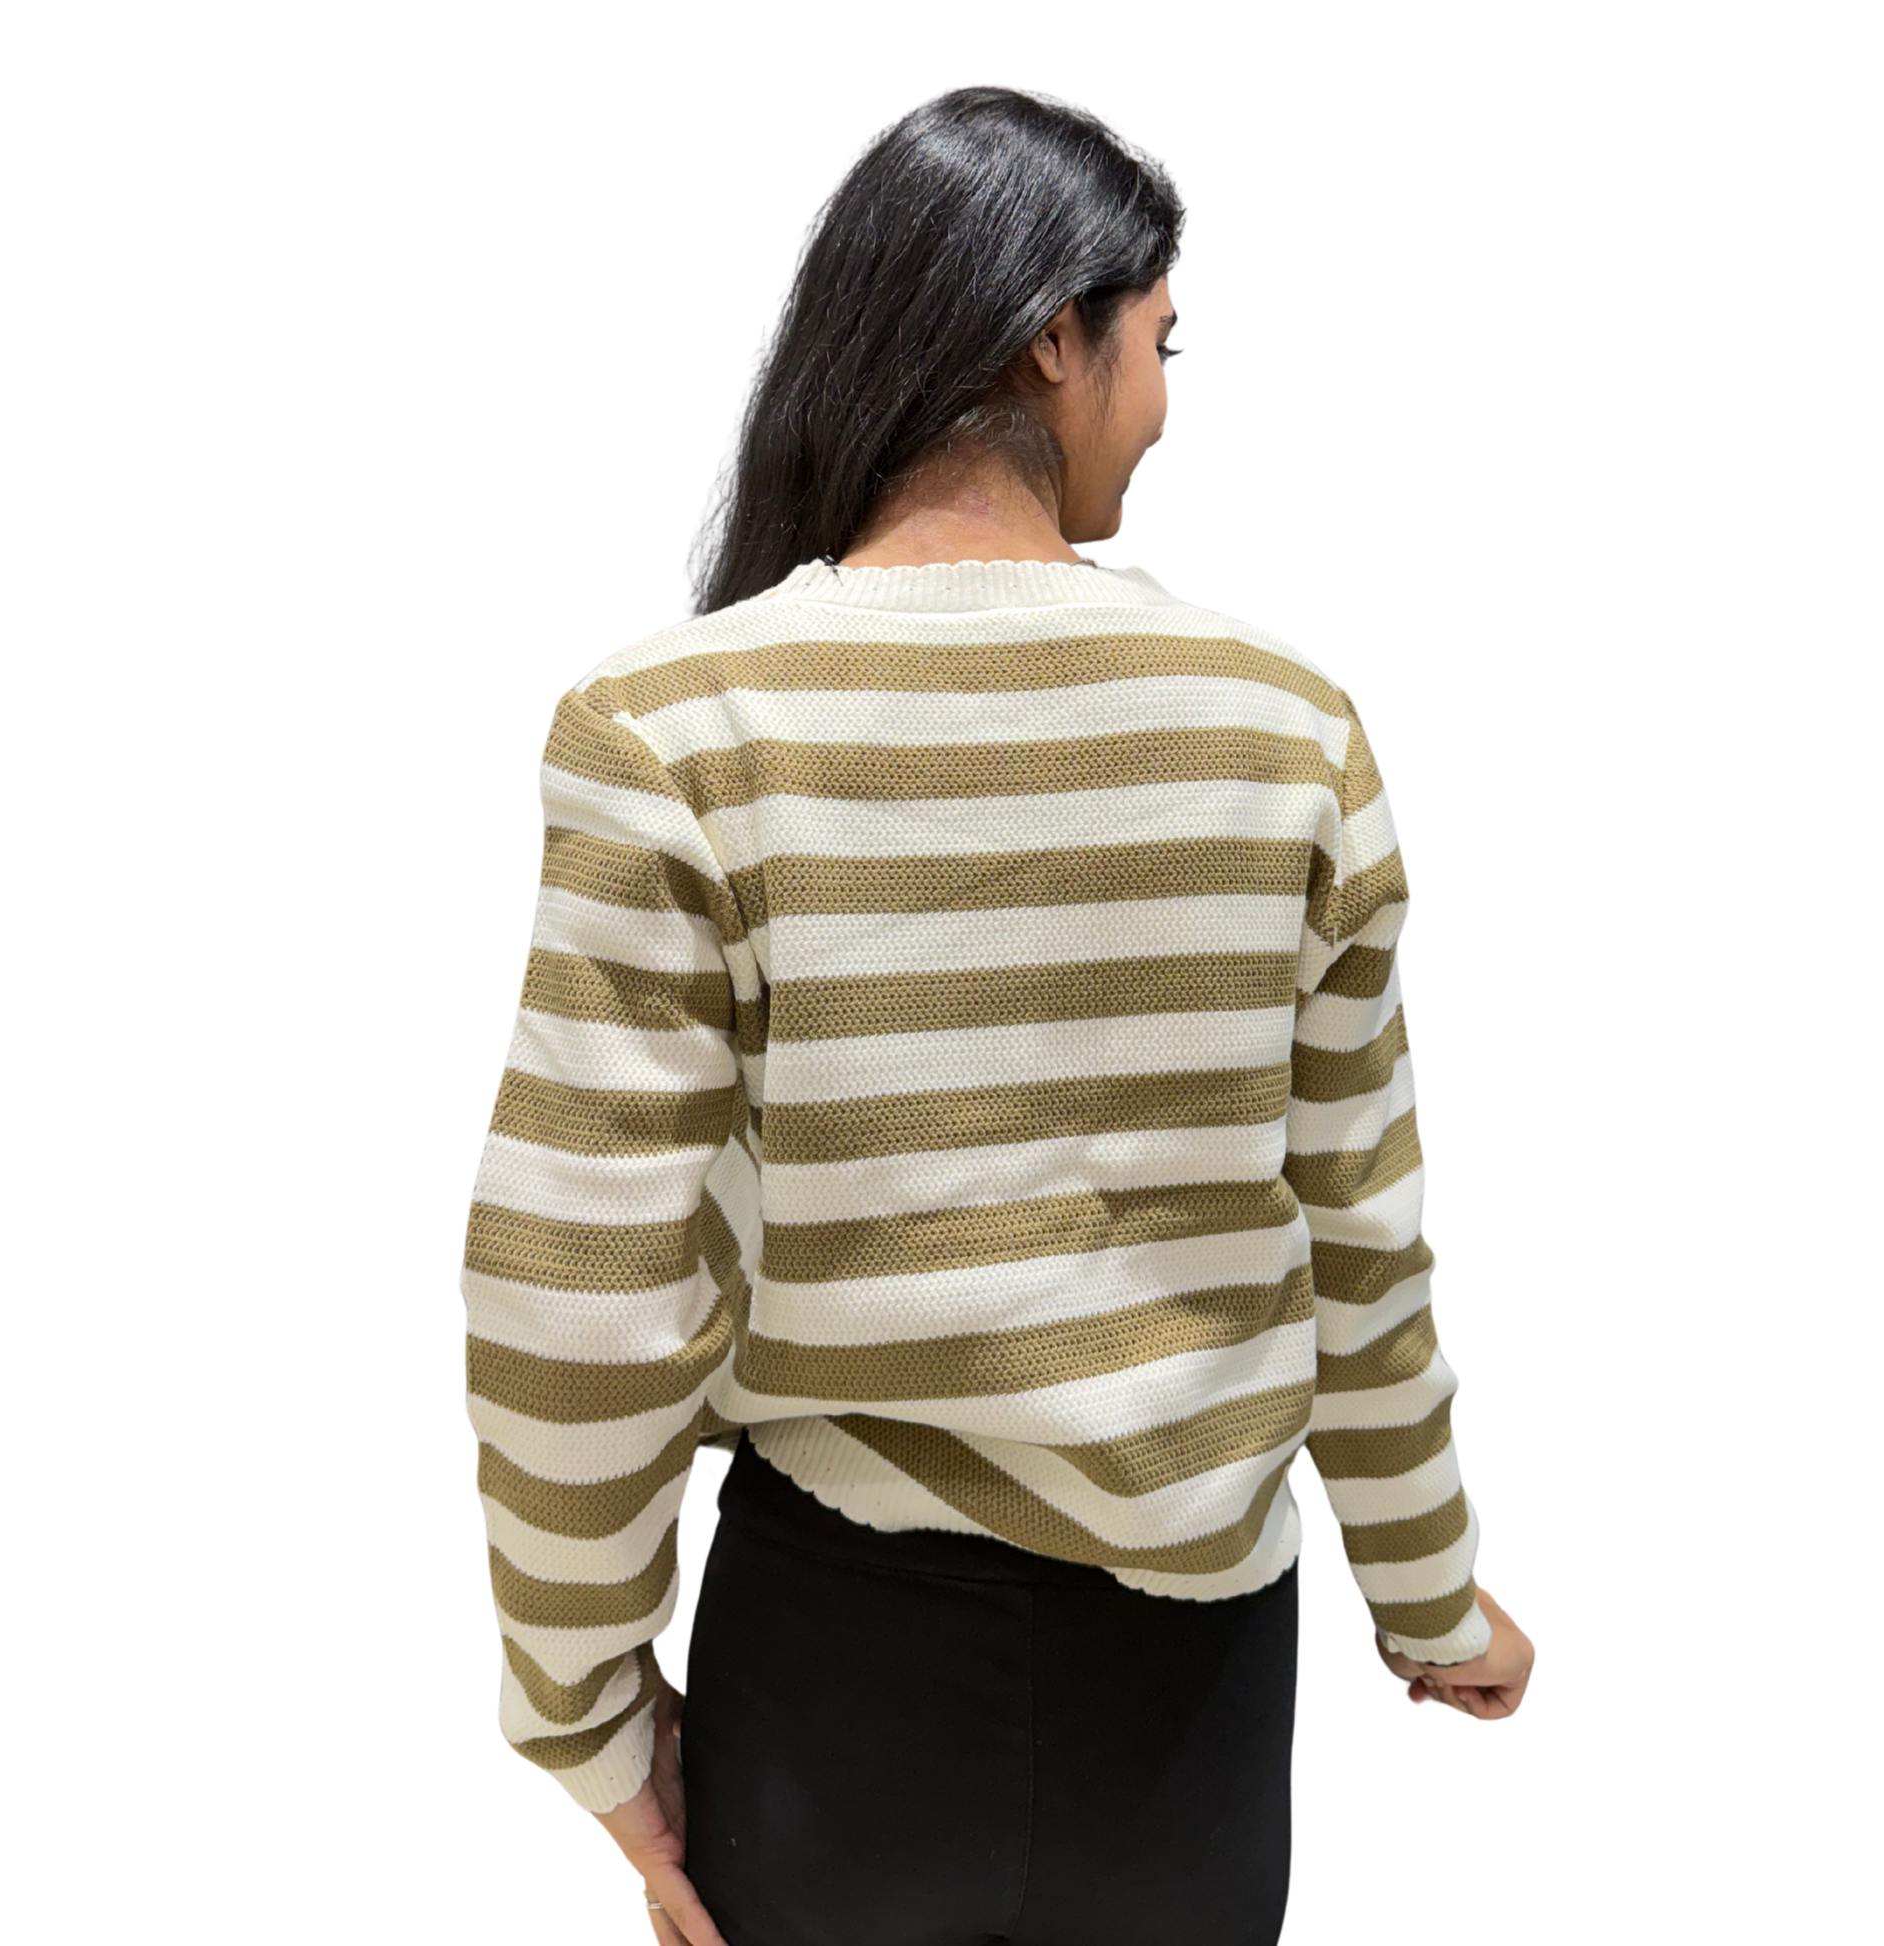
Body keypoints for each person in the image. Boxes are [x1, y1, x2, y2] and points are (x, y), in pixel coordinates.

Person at [458, 83, 1535, 1946]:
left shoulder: (673, 728)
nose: (1163, 402)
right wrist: (1429, 1592)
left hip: (831, 1684)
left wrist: (592, 1721)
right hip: (1187, 1711)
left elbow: (575, 1292)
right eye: (1156, 343)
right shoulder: (1285, 729)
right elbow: (1355, 1240)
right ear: (1053, 336)